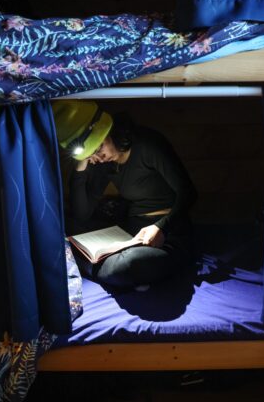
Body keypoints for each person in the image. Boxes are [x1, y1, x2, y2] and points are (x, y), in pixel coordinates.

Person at [53, 100, 197, 290]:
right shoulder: (104, 164)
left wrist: (161, 228)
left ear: (110, 133)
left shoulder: (147, 144)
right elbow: (82, 213)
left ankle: (107, 270)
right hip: (131, 233)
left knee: (131, 264)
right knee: (68, 229)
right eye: (91, 155)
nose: (97, 157)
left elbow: (189, 193)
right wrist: (80, 168)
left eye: (99, 148)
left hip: (168, 232)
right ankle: (115, 272)